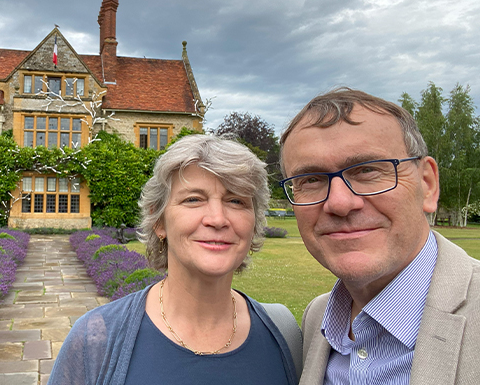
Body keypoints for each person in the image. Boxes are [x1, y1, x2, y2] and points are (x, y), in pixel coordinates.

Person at [48, 135, 300, 384]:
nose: (217, 218)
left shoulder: (286, 336)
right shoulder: (95, 340)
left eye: (236, 201)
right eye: (193, 200)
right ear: (159, 221)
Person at [279, 87, 480, 385]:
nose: (340, 203)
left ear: (427, 185)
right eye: (311, 180)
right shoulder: (316, 318)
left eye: (367, 170)